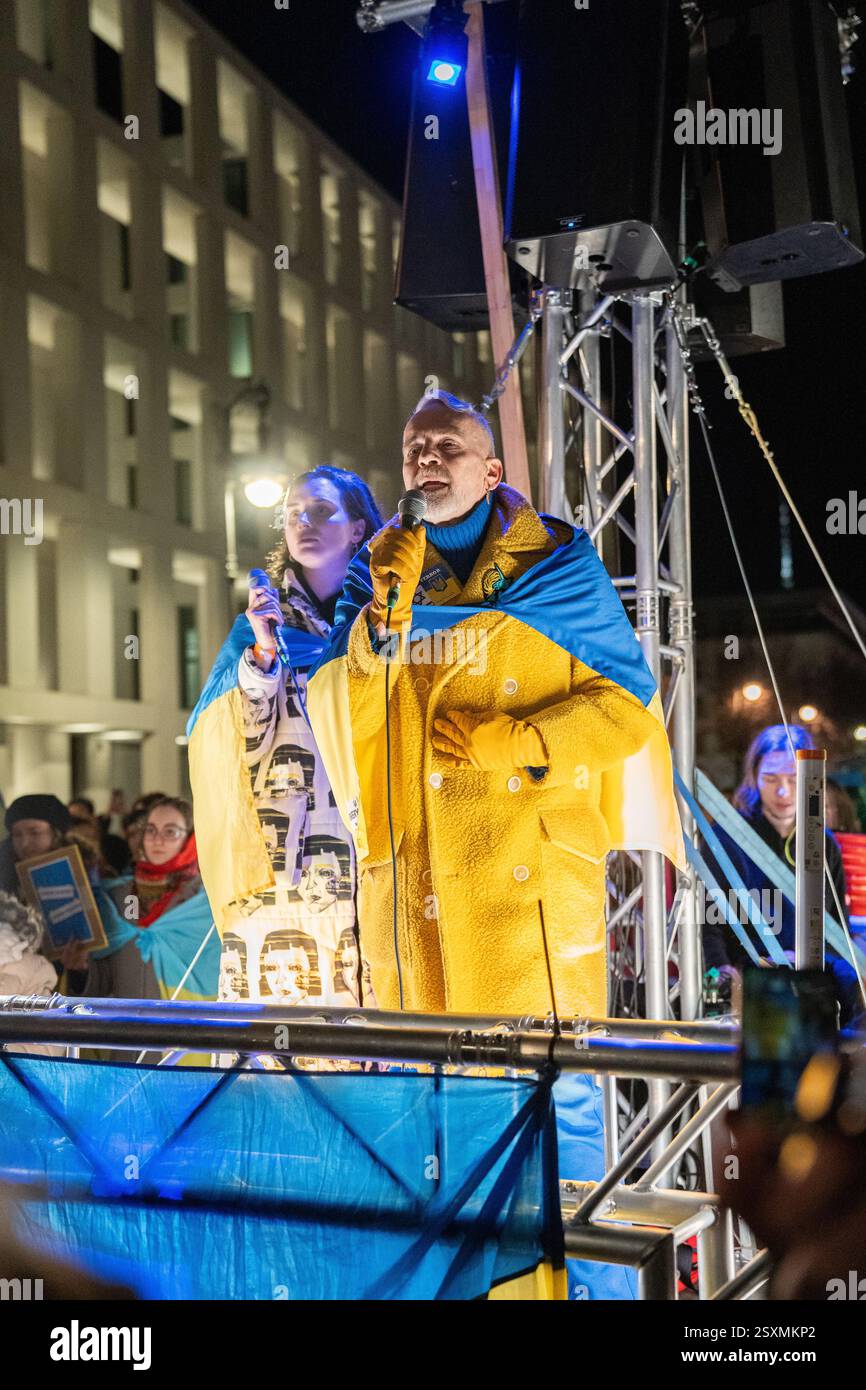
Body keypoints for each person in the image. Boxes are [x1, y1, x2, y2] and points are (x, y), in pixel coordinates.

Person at [305, 390, 686, 1299]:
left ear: (492, 469)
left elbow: (629, 711)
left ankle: (582, 1292)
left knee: (554, 1109)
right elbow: (335, 706)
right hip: (418, 895)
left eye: (447, 443)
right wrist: (377, 622)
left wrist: (523, 742)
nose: (426, 457)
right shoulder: (379, 574)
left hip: (530, 898)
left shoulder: (557, 562)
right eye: (413, 447)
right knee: (437, 1120)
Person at [187, 465, 384, 1009]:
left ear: (359, 529)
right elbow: (221, 728)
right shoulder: (256, 628)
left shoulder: (394, 615)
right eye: (293, 512)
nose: (304, 521)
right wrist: (265, 652)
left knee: (377, 1031)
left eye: (322, 510)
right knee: (285, 1034)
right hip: (287, 860)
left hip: (372, 850)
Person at [702, 723, 862, 1024]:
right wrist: (722, 976)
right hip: (749, 977)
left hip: (812, 974)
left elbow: (838, 929)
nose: (783, 791)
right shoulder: (726, 838)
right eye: (771, 778)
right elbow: (709, 928)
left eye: (793, 778)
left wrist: (807, 962)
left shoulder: (824, 844)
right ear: (753, 777)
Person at [63, 797, 216, 1004]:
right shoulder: (124, 895)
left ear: (190, 839)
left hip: (186, 1027)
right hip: (125, 1028)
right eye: (151, 830)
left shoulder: (205, 903)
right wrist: (81, 970)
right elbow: (106, 975)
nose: (157, 840)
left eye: (170, 832)